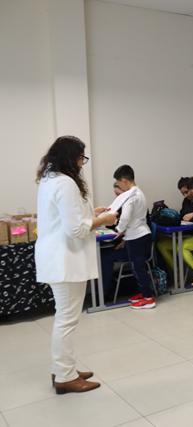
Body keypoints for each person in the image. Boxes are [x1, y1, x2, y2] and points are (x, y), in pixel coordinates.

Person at [35, 135, 117, 394]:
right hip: (65, 260)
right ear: (71, 158)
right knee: (66, 320)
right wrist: (103, 220)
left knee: (64, 317)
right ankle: (64, 376)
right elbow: (75, 230)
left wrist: (92, 214)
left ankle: (64, 368)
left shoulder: (50, 179)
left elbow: (66, 219)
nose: (83, 163)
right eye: (81, 158)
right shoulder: (66, 183)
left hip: (57, 257)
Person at [113, 165, 155, 309]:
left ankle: (148, 298)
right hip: (140, 234)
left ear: (124, 180)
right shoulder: (139, 192)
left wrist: (118, 230)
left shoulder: (130, 196)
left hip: (137, 236)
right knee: (138, 268)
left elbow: (125, 217)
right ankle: (144, 293)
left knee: (138, 269)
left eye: (118, 183)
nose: (119, 186)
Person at [157, 177, 193, 287]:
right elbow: (182, 215)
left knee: (181, 247)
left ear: (192, 188)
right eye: (182, 193)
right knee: (161, 245)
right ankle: (178, 273)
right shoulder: (186, 201)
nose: (185, 195)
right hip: (188, 235)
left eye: (186, 192)